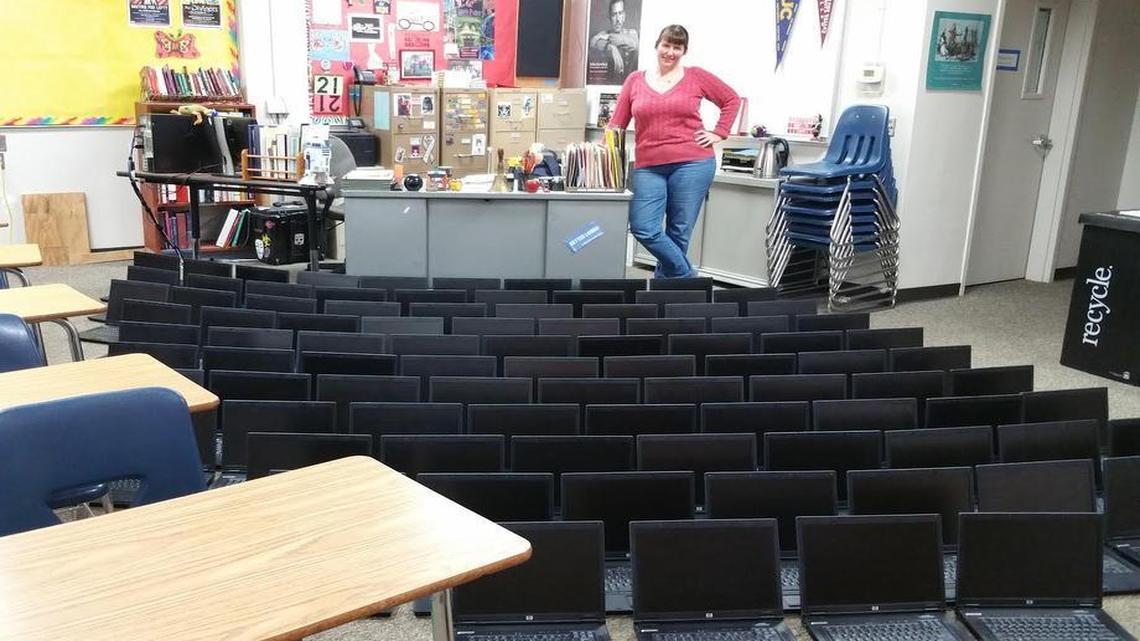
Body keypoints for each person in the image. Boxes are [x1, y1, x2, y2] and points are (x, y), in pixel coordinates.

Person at [608, 24, 740, 279]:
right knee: (643, 227)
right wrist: (603, 155)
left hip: (693, 163)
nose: (670, 52)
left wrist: (719, 132)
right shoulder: (635, 80)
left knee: (678, 233)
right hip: (648, 165)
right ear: (657, 46)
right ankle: (688, 278)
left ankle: (665, 300)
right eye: (666, 45)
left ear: (684, 51)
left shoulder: (696, 76)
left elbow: (731, 99)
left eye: (677, 47)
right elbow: (617, 124)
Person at [589, 0, 639, 83]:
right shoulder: (604, 34)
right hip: (611, 84)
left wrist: (618, 40)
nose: (618, 19)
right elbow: (593, 42)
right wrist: (610, 47)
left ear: (624, 16)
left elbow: (635, 45)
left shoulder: (631, 33)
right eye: (614, 14)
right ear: (610, 17)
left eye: (620, 13)